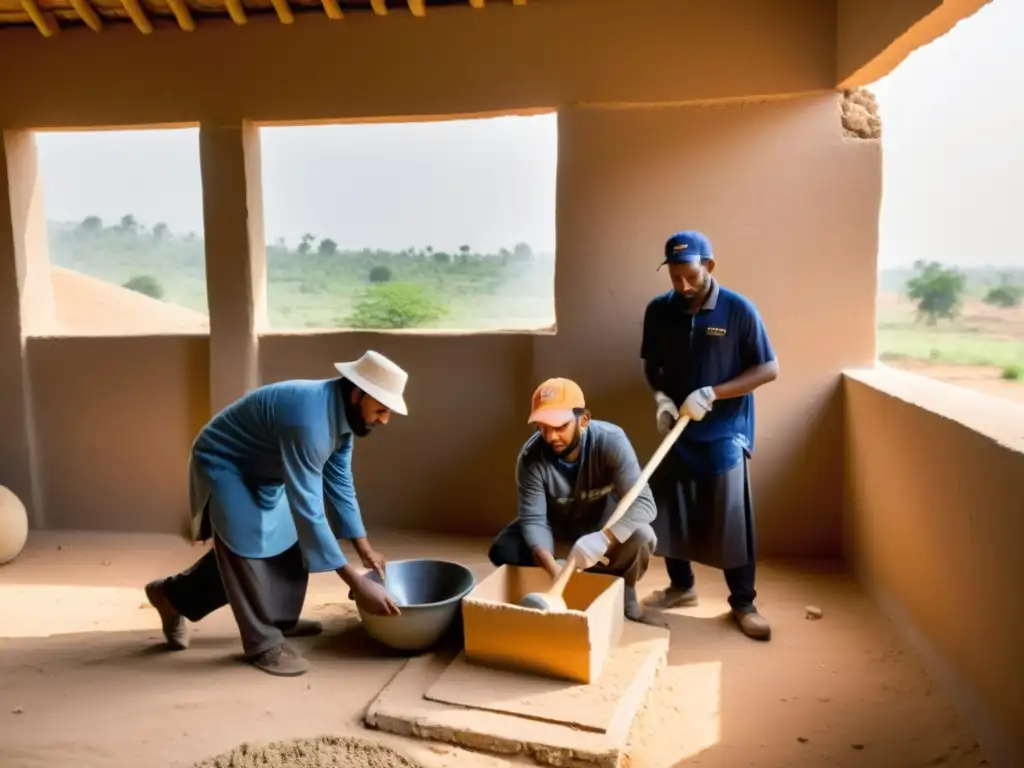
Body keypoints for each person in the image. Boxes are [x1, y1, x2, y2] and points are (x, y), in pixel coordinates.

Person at [144, 350, 409, 677]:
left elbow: (339, 480)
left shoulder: (343, 417)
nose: (384, 419)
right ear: (357, 395)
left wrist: (363, 547)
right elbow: (310, 509)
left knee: (287, 542)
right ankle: (263, 641)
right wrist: (354, 579)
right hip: (226, 464)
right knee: (245, 549)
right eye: (380, 410)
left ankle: (171, 596)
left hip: (267, 469)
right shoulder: (308, 421)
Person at [639, 230, 779, 640]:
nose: (683, 285)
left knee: (731, 520)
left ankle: (743, 603)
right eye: (675, 277)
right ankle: (682, 587)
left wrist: (713, 393)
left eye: (691, 275)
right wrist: (662, 400)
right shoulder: (658, 311)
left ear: (709, 266)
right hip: (677, 429)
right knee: (668, 510)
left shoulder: (737, 310)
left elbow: (768, 369)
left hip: (724, 432)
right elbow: (651, 365)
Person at [488, 377, 658, 622]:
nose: (551, 436)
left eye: (560, 426)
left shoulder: (611, 441)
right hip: (555, 524)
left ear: (584, 420)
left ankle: (624, 588)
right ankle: (561, 578)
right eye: (543, 426)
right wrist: (553, 569)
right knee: (504, 549)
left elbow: (644, 504)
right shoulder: (531, 458)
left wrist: (605, 537)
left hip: (601, 525)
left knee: (643, 536)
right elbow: (535, 519)